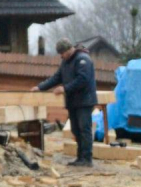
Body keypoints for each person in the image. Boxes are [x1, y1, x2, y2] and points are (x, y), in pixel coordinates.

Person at [32, 38, 98, 166]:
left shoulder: (83, 59)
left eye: (62, 53)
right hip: (73, 102)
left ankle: (86, 158)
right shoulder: (65, 62)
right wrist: (40, 87)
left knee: (84, 129)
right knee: (76, 129)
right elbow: (57, 77)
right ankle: (80, 158)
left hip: (84, 101)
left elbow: (82, 79)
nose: (61, 56)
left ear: (69, 49)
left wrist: (65, 88)